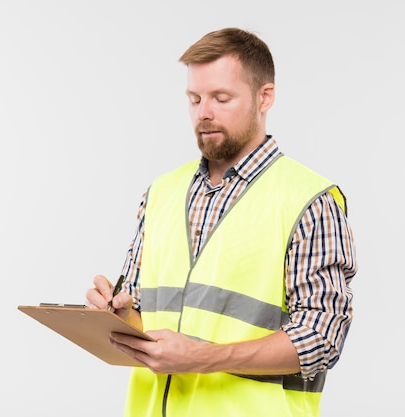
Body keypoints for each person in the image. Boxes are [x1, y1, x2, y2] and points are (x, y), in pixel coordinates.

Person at [85, 27, 357, 417]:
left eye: (221, 98)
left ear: (265, 97)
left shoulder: (309, 201)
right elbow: (147, 316)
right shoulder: (161, 192)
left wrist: (202, 357)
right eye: (194, 99)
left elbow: (322, 339)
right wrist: (116, 313)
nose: (203, 112)